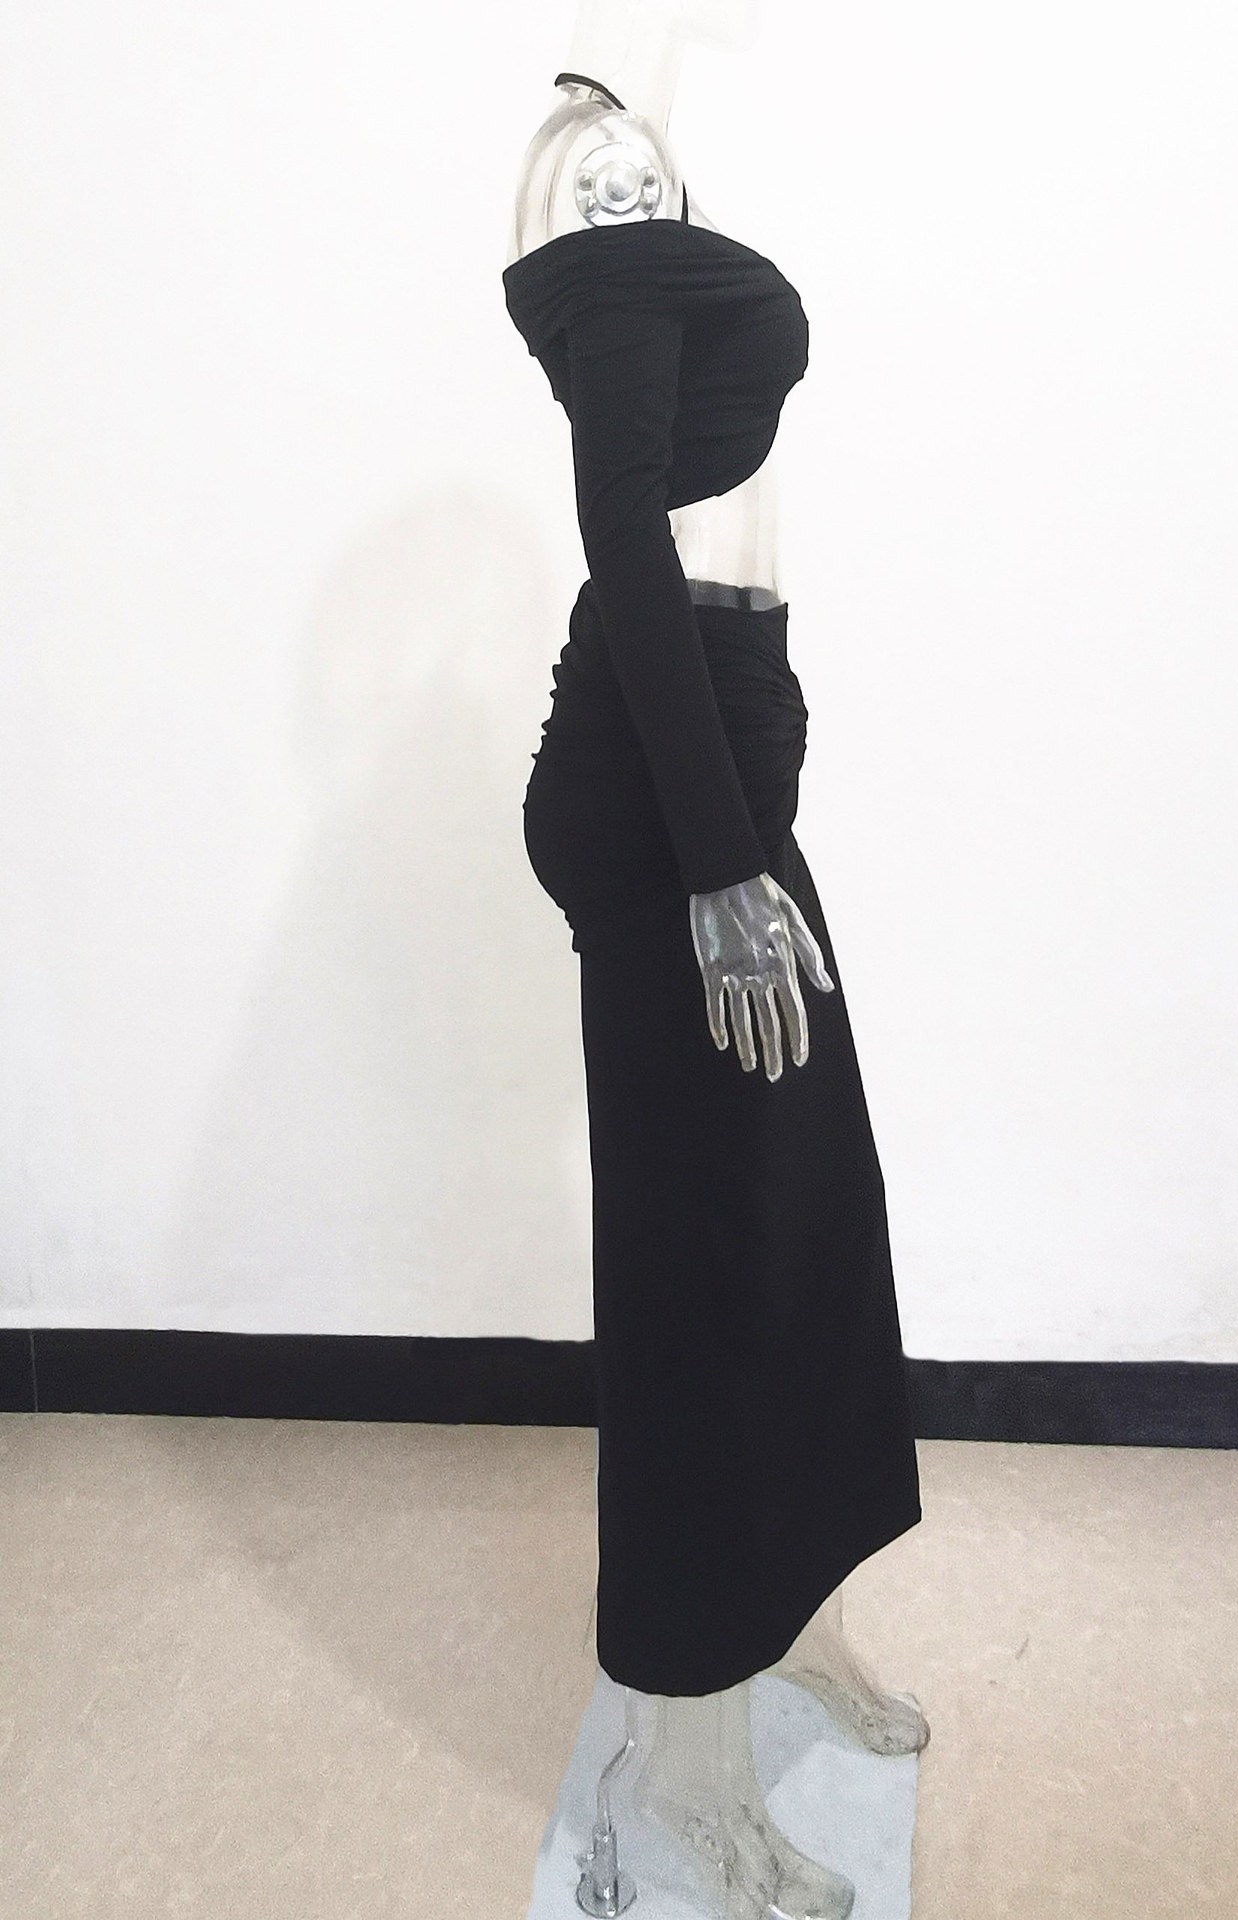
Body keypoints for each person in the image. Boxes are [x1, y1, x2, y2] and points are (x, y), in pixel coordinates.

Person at [503, 11, 926, 1914]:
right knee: (709, 1259)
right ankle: (681, 1750)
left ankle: (792, 1615)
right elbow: (619, 517)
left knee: (806, 1214)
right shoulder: (603, 158)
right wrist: (717, 862)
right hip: (671, 789)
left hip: (720, 751)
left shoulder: (659, 158)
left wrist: (744, 818)